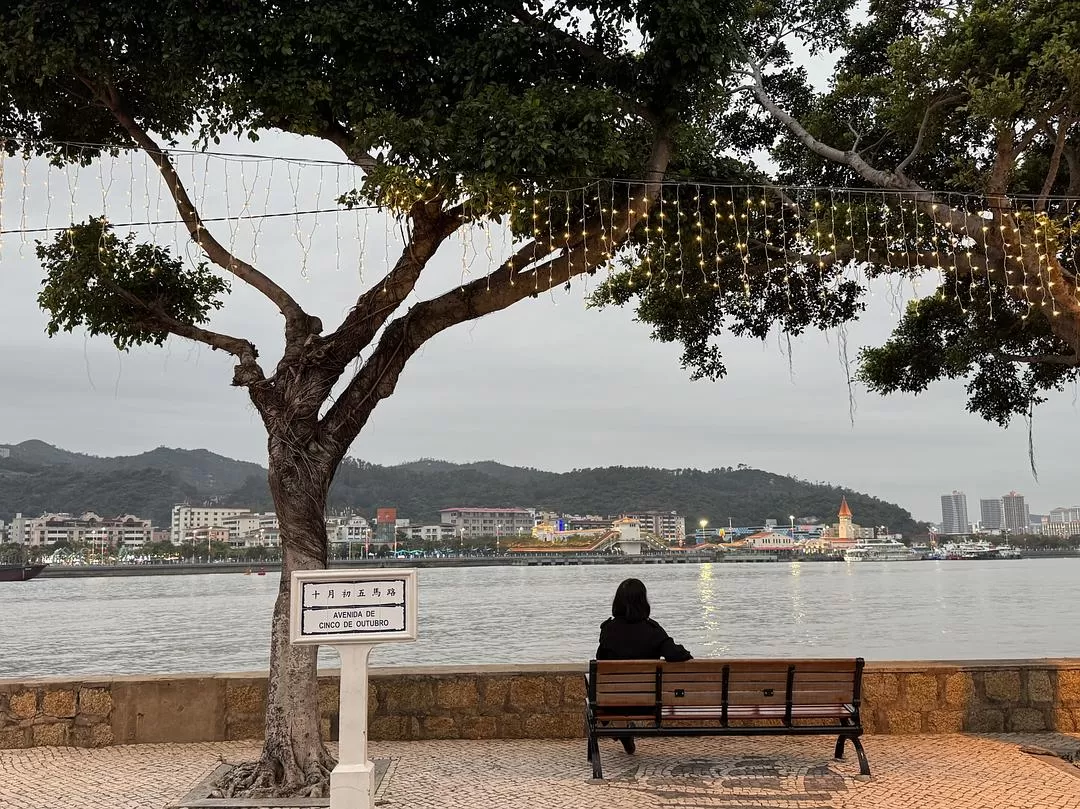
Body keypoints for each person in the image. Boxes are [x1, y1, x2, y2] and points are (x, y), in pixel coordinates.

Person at [596, 578, 692, 754]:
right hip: (647, 703)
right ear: (643, 601)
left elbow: (600, 661)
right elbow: (675, 654)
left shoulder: (609, 630)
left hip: (612, 702)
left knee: (610, 695)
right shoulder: (653, 630)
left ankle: (622, 728)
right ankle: (622, 729)